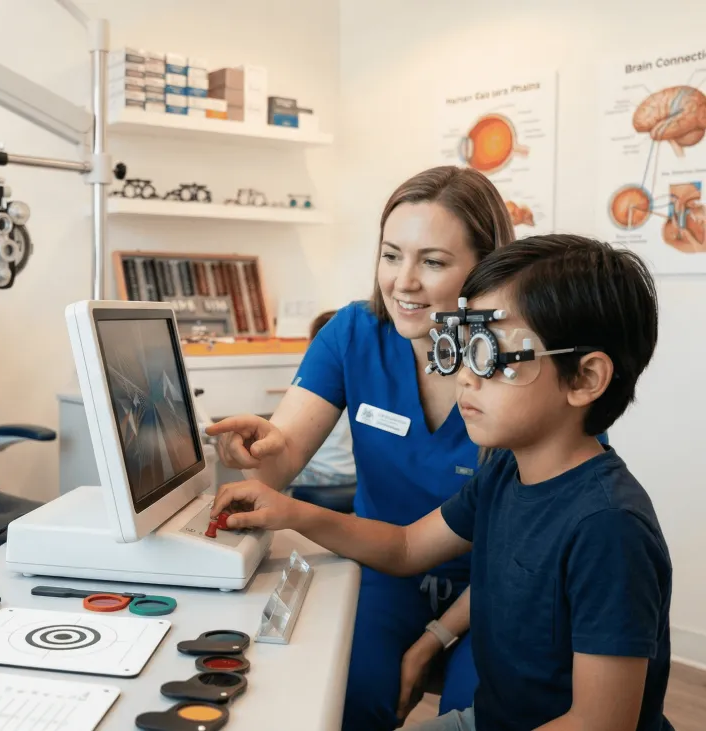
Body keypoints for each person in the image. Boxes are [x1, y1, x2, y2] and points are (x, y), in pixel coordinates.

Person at [212, 235, 671, 731]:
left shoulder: (609, 529)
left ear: (583, 379)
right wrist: (291, 512)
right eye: (465, 351)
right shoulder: (504, 474)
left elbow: (600, 725)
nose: (467, 380)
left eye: (493, 357)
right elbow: (408, 546)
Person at [207, 165, 514, 728]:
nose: (403, 282)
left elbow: (547, 524)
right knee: (346, 695)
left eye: (434, 261)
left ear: (486, 266)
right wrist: (257, 448)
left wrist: (432, 642)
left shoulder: (521, 358)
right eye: (391, 254)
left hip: (495, 587)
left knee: (479, 712)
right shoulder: (354, 333)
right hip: (383, 568)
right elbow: (282, 454)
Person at [286, 310, 355, 493]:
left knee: (261, 480)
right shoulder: (364, 380)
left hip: (325, 474)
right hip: (355, 474)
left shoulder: (315, 386)